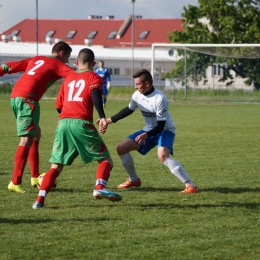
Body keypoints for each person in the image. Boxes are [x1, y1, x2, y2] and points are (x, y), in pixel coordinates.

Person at [32, 48, 122, 209]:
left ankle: (39, 200)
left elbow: (59, 106)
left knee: (56, 166)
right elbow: (95, 94)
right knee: (106, 160)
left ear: (76, 62)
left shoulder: (68, 78)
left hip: (63, 124)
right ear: (93, 64)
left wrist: (66, 116)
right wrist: (102, 117)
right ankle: (100, 188)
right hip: (81, 123)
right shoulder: (94, 77)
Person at [98, 69, 198, 194]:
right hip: (149, 130)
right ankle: (134, 180)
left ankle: (190, 185)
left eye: (138, 84)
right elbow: (129, 109)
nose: (135, 86)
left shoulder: (159, 98)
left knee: (162, 155)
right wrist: (109, 120)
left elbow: (161, 126)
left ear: (147, 84)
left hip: (165, 130)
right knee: (121, 148)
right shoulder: (136, 95)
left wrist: (146, 135)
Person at [0, 41, 74, 193]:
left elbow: (7, 66)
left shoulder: (36, 59)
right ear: (62, 53)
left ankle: (35, 177)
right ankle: (15, 181)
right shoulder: (57, 64)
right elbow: (76, 76)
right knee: (26, 139)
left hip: (16, 96)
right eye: (67, 57)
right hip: (28, 99)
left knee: (35, 135)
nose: (67, 61)